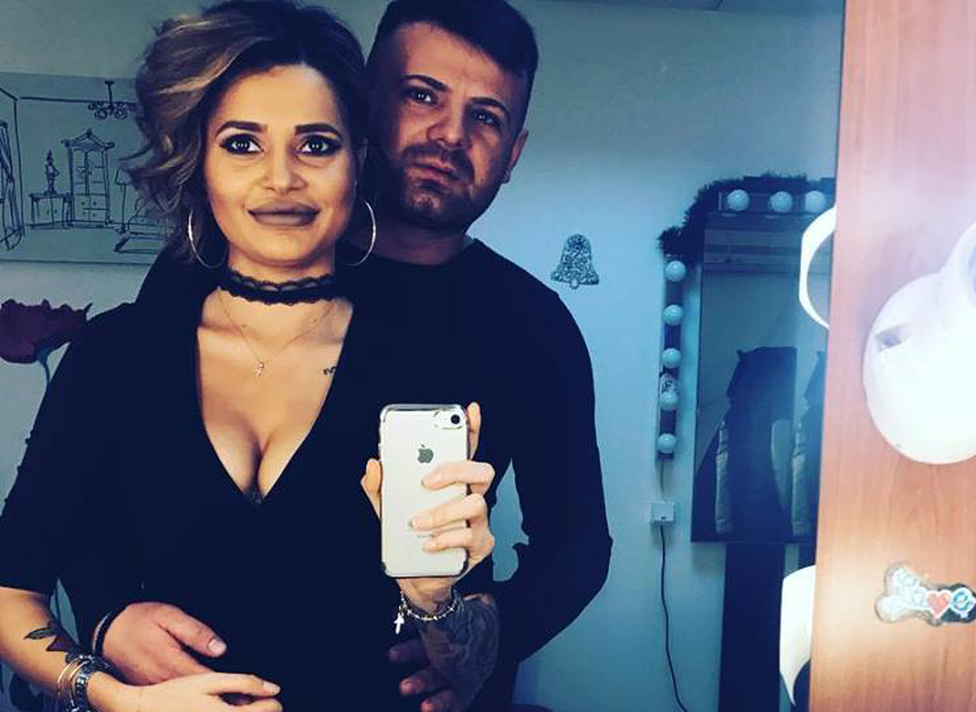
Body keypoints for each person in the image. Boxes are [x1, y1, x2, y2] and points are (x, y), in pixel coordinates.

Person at [72, 1, 614, 711]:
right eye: (422, 96)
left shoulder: (531, 326)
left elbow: (577, 550)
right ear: (364, 108)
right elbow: (99, 473)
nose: (450, 135)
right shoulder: (206, 271)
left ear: (512, 152)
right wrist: (108, 613)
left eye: (486, 117)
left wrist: (483, 642)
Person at [0, 2, 500, 711]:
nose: (281, 178)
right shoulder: (114, 355)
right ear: (199, 163)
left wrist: (436, 600)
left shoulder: (428, 360)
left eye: (316, 145)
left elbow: (471, 660)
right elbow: (11, 588)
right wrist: (113, 695)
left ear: (358, 162)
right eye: (242, 144)